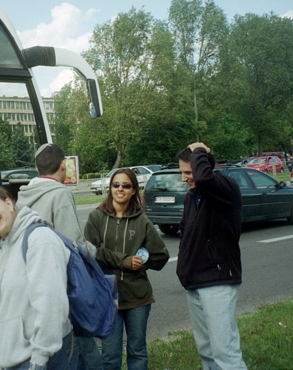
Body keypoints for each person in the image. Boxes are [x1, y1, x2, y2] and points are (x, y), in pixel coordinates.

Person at [0, 184, 78, 369]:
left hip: (41, 359)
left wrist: (39, 359)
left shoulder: (39, 239)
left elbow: (51, 305)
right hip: (9, 359)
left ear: (9, 204)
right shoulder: (1, 246)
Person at [17, 143, 101, 369]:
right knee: (85, 352)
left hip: (32, 284)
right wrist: (92, 250)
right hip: (60, 286)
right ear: (64, 166)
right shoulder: (60, 193)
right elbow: (72, 244)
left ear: (37, 169)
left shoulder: (23, 195)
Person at [84, 168, 169, 370]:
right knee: (110, 356)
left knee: (137, 352)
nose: (120, 189)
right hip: (106, 298)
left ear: (133, 191)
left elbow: (161, 256)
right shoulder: (96, 217)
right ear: (110, 188)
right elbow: (90, 251)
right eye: (116, 185)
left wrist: (142, 261)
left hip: (138, 297)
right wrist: (124, 261)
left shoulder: (142, 221)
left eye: (126, 185)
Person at [176, 142, 247, 370]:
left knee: (224, 352)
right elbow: (186, 234)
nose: (184, 178)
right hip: (195, 281)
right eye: (182, 173)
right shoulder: (192, 196)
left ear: (202, 167)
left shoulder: (226, 188)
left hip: (218, 282)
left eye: (188, 172)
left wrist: (199, 151)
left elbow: (205, 178)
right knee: (206, 350)